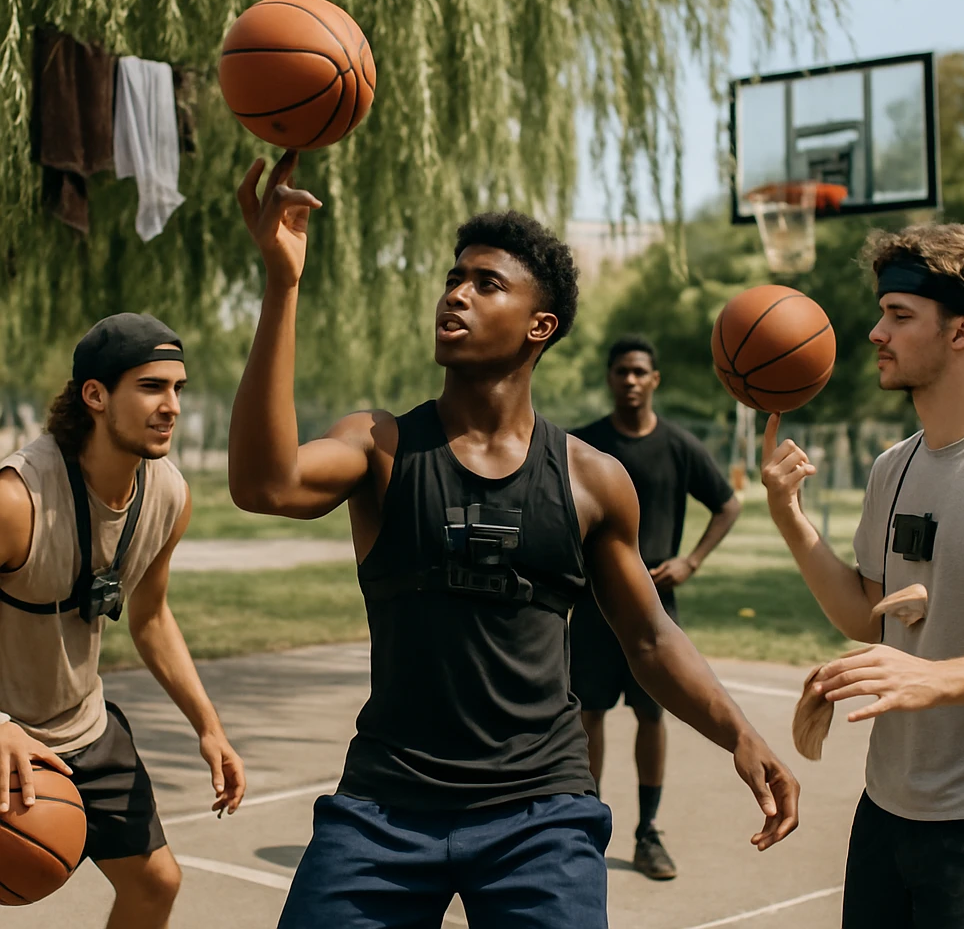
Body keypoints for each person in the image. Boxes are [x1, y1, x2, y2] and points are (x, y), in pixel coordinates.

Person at [229, 151, 799, 929]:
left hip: (540, 812)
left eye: (486, 283)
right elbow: (262, 485)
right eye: (454, 278)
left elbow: (649, 638)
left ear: (540, 326)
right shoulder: (380, 446)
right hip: (386, 806)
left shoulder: (593, 481)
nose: (456, 294)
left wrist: (740, 733)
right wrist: (281, 282)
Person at [761, 223, 964, 928]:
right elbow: (864, 615)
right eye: (882, 313)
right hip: (886, 810)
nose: (877, 332)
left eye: (899, 315)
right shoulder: (894, 467)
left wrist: (930, 677)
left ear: (962, 331)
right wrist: (789, 515)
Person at [0, 313, 246, 927]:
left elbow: (151, 618)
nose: (172, 407)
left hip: (84, 725)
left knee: (155, 884)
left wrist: (209, 726)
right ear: (96, 395)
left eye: (178, 389)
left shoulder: (169, 496)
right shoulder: (17, 499)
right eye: (151, 387)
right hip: (5, 734)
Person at [570, 334, 741, 879]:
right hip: (593, 605)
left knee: (651, 715)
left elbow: (727, 504)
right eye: (621, 371)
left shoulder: (678, 445)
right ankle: (585, 827)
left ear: (655, 379)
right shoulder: (584, 444)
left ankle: (647, 832)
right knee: (588, 714)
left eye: (640, 371)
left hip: (654, 608)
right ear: (609, 378)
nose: (630, 380)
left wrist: (691, 560)